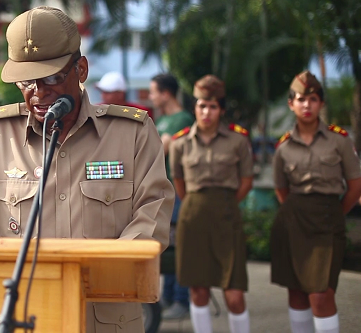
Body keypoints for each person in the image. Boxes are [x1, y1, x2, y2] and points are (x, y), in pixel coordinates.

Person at [0, 6, 175, 333]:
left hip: (104, 317)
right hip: (20, 313)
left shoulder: (132, 133)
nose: (38, 93)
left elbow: (153, 213)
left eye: (51, 77)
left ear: (80, 69)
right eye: (26, 81)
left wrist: (99, 271)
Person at [271, 71, 361, 333]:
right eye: (300, 99)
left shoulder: (339, 140)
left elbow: (355, 186)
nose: (306, 105)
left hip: (327, 222)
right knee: (297, 293)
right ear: (291, 104)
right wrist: (297, 211)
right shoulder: (283, 147)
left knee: (321, 295)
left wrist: (335, 212)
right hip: (292, 222)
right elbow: (281, 190)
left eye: (312, 99)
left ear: (321, 103)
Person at [169, 75, 253, 333]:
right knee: (198, 290)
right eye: (202, 105)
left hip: (227, 218)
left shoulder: (238, 140)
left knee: (235, 295)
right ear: (194, 107)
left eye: (213, 106)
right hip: (192, 219)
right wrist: (198, 203)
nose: (206, 112)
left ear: (222, 110)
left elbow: (246, 181)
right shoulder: (180, 142)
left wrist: (224, 203)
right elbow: (179, 184)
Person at [148, 73, 194, 319]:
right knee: (167, 245)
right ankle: (167, 296)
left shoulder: (183, 119)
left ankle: (182, 300)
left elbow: (159, 149)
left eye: (154, 91)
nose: (151, 96)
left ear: (166, 93)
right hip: (165, 191)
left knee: (178, 247)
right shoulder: (164, 119)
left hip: (178, 191)